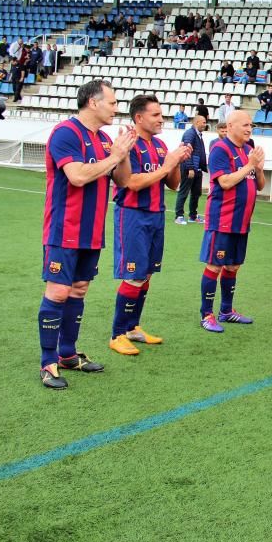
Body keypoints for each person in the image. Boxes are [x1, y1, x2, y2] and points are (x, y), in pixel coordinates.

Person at [38, 80, 135, 389]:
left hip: (91, 231)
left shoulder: (105, 138)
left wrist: (123, 153)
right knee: (57, 293)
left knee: (78, 291)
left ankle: (68, 354)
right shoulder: (66, 133)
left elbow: (125, 180)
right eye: (112, 102)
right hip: (63, 230)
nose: (116, 108)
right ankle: (47, 362)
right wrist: (112, 156)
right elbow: (77, 176)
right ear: (93, 103)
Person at [108, 95, 192, 356]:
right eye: (155, 115)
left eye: (161, 114)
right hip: (133, 215)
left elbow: (173, 184)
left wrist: (176, 162)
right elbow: (130, 182)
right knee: (133, 275)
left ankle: (133, 327)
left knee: (145, 274)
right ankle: (117, 334)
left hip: (156, 214)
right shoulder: (128, 143)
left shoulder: (159, 145)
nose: (161, 119)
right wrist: (167, 164)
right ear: (139, 117)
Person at [198, 111, 265, 333]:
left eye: (251, 125)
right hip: (223, 220)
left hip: (242, 221)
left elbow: (260, 185)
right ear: (231, 125)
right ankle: (206, 314)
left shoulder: (248, 150)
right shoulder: (220, 149)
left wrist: (259, 167)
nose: (249, 128)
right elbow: (225, 182)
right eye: (245, 125)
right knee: (215, 265)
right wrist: (249, 166)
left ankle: (226, 311)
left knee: (233, 265)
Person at [175, 113, 209, 225]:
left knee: (196, 193)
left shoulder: (198, 135)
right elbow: (186, 150)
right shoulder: (190, 133)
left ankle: (193, 216)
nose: (205, 124)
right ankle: (179, 216)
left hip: (197, 169)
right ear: (197, 122)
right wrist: (190, 167)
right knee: (184, 191)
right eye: (203, 122)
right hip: (189, 168)